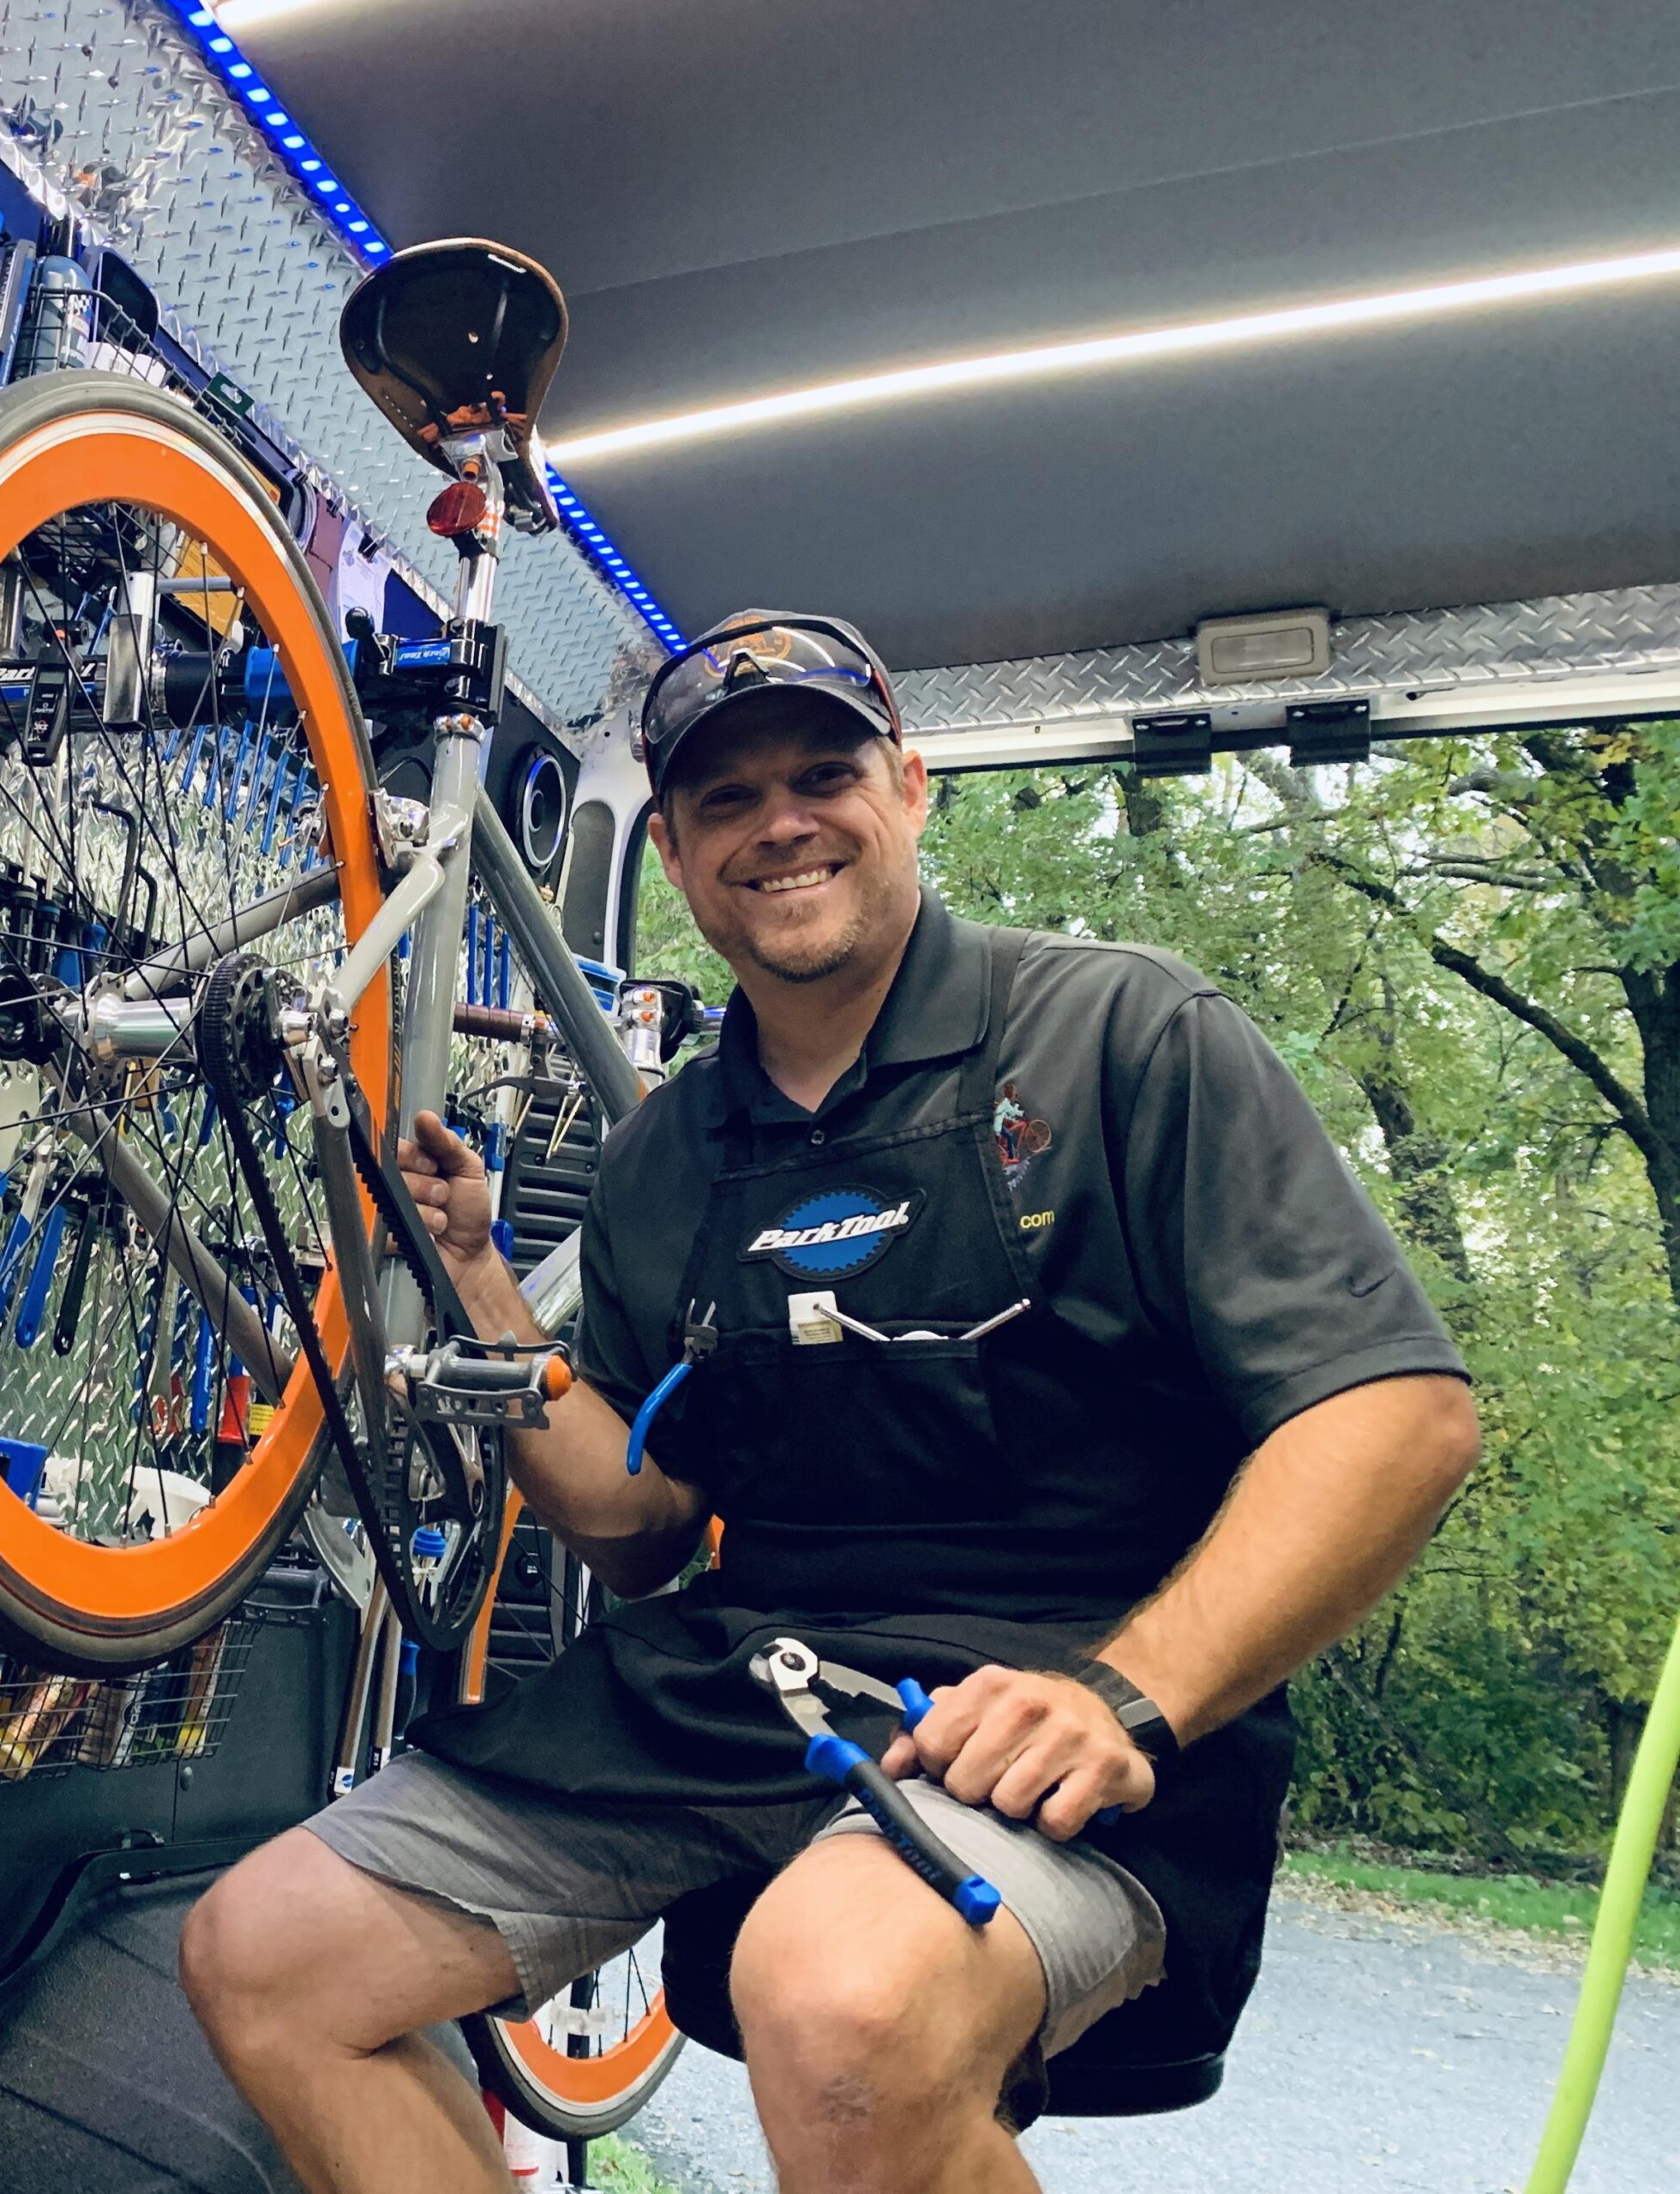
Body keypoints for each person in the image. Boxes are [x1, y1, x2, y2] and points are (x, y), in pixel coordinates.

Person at [180, 609, 1481, 2193]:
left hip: (1061, 1694)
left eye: (824, 775)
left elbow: (1396, 1417)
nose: (781, 824)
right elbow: (642, 1530)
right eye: (726, 799)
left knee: (838, 1999)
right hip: (748, 1684)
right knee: (266, 1959)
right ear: (673, 852)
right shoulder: (665, 1153)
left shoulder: (1122, 1036)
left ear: (912, 788)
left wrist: (1126, 1694)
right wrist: (485, 1290)